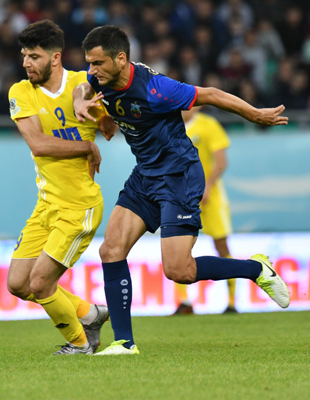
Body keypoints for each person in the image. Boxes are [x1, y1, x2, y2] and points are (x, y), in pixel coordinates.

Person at [73, 26, 291, 356]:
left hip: (179, 176)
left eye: (98, 63)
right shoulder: (98, 79)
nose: (92, 70)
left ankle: (256, 269)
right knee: (111, 249)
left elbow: (211, 94)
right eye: (89, 62)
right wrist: (82, 102)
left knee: (179, 271)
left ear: (120, 59)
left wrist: (254, 114)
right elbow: (82, 86)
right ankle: (125, 343)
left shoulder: (157, 89)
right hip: (145, 175)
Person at [6, 20, 110, 355]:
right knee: (18, 283)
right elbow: (38, 144)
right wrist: (86, 146)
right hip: (46, 205)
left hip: (79, 206)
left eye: (34, 56)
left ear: (55, 57)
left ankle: (80, 344)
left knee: (40, 282)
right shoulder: (21, 91)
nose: (26, 63)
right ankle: (90, 314)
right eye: (24, 55)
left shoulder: (82, 82)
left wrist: (102, 117)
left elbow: (102, 117)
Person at [174, 107, 237, 315]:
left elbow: (221, 162)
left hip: (210, 197)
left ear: (198, 105)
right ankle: (184, 302)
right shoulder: (169, 126)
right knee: (179, 247)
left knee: (221, 245)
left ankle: (231, 302)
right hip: (182, 197)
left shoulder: (209, 125)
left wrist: (207, 186)